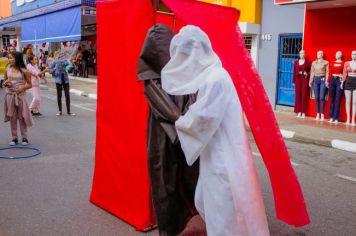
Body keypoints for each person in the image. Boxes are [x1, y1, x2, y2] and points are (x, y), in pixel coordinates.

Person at [162, 25, 269, 236]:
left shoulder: (216, 79)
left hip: (224, 159)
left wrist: (179, 121)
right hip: (218, 154)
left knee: (225, 214)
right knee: (220, 210)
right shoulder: (213, 76)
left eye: (185, 57)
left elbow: (202, 120)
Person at [137, 24, 200, 236]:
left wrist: (188, 121)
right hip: (163, 136)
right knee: (165, 187)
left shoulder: (184, 71)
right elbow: (166, 109)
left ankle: (188, 225)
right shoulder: (151, 79)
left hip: (185, 134)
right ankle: (170, 231)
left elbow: (193, 98)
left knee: (190, 182)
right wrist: (183, 122)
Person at [3, 51, 33, 146]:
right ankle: (14, 138)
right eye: (9, 58)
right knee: (12, 117)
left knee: (22, 117)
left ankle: (25, 138)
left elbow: (30, 84)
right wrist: (5, 83)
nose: (10, 60)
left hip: (21, 96)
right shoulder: (7, 69)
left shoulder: (25, 71)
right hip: (10, 95)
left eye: (12, 58)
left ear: (17, 58)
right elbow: (4, 81)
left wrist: (23, 88)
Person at [309, 50, 329, 121]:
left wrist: (327, 80)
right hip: (315, 80)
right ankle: (317, 113)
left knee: (322, 97)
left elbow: (327, 72)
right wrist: (310, 81)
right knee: (316, 97)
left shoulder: (326, 62)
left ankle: (322, 114)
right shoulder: (314, 63)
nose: (318, 54)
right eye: (317, 53)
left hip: (322, 79)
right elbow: (312, 72)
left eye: (320, 53)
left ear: (322, 55)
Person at [293, 50, 311, 118]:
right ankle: (299, 111)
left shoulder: (308, 62)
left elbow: (311, 71)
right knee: (298, 95)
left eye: (303, 53)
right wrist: (294, 81)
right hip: (298, 79)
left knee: (304, 95)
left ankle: (303, 112)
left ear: (305, 54)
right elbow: (294, 72)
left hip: (305, 79)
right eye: (300, 53)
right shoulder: (296, 62)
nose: (301, 54)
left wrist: (307, 74)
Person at [328, 51, 344, 124]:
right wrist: (328, 81)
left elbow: (344, 72)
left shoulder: (343, 63)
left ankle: (336, 117)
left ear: (341, 55)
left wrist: (342, 78)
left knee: (338, 99)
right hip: (332, 80)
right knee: (332, 99)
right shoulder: (332, 62)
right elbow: (330, 72)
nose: (336, 55)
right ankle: (331, 117)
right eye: (336, 54)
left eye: (338, 54)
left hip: (339, 81)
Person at [342, 50, 356, 126]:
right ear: (351, 55)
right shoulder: (347, 63)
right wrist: (342, 82)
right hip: (348, 82)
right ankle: (348, 119)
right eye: (353, 54)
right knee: (348, 101)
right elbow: (344, 73)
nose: (354, 55)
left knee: (354, 102)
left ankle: (353, 120)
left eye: (355, 54)